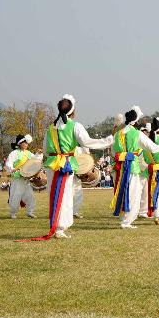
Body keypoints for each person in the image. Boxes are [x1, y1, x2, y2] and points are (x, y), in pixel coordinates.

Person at [23, 95, 113, 240]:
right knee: (65, 196)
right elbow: (87, 142)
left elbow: (45, 150)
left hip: (53, 164)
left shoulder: (51, 128)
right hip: (65, 163)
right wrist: (108, 140)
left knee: (53, 194)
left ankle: (56, 225)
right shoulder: (75, 126)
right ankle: (60, 228)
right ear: (73, 111)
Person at [111, 106, 159, 229]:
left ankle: (124, 218)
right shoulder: (137, 134)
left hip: (121, 167)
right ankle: (127, 221)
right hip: (133, 167)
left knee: (123, 192)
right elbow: (153, 148)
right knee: (133, 194)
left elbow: (114, 152)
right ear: (136, 121)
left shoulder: (118, 134)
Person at [4, 134, 40, 219]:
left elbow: (35, 161)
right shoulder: (14, 153)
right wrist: (12, 169)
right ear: (20, 144)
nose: (26, 144)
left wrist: (38, 154)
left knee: (30, 195)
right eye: (24, 143)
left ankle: (30, 211)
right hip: (17, 177)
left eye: (27, 143)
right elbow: (8, 163)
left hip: (26, 178)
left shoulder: (29, 153)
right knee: (16, 194)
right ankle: (13, 212)